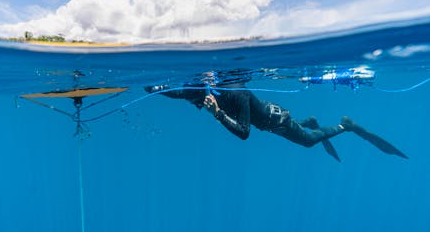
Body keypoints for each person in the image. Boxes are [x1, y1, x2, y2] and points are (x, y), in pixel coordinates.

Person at [145, 82, 407, 161]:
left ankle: (345, 126)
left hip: (276, 120)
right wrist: (153, 88)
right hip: (268, 119)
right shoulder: (204, 92)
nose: (197, 106)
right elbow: (179, 94)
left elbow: (245, 133)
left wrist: (217, 115)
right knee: (296, 130)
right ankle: (311, 119)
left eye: (200, 103)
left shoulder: (238, 97)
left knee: (307, 142)